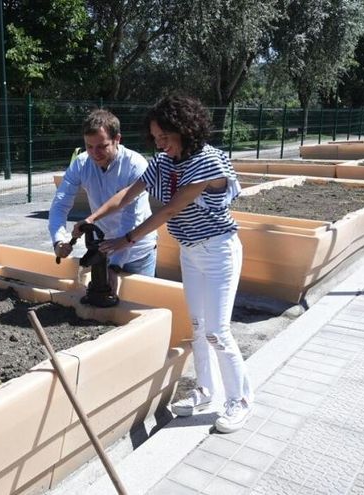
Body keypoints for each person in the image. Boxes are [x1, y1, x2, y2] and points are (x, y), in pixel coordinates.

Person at [73, 95, 253, 433]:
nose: (160, 144)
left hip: (218, 252)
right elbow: (128, 193)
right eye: (155, 138)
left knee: (218, 331)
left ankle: (239, 402)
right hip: (190, 251)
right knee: (198, 326)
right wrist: (91, 217)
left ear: (185, 129)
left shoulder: (209, 161)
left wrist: (126, 240)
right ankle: (205, 391)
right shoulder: (163, 162)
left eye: (165, 137)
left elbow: (171, 209)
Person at [49, 109, 157, 287]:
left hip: (138, 252)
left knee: (140, 308)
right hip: (104, 250)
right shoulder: (82, 163)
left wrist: (115, 266)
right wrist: (59, 240)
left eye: (102, 146)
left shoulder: (135, 165)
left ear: (117, 140)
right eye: (89, 146)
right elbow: (60, 204)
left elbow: (131, 221)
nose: (94, 153)